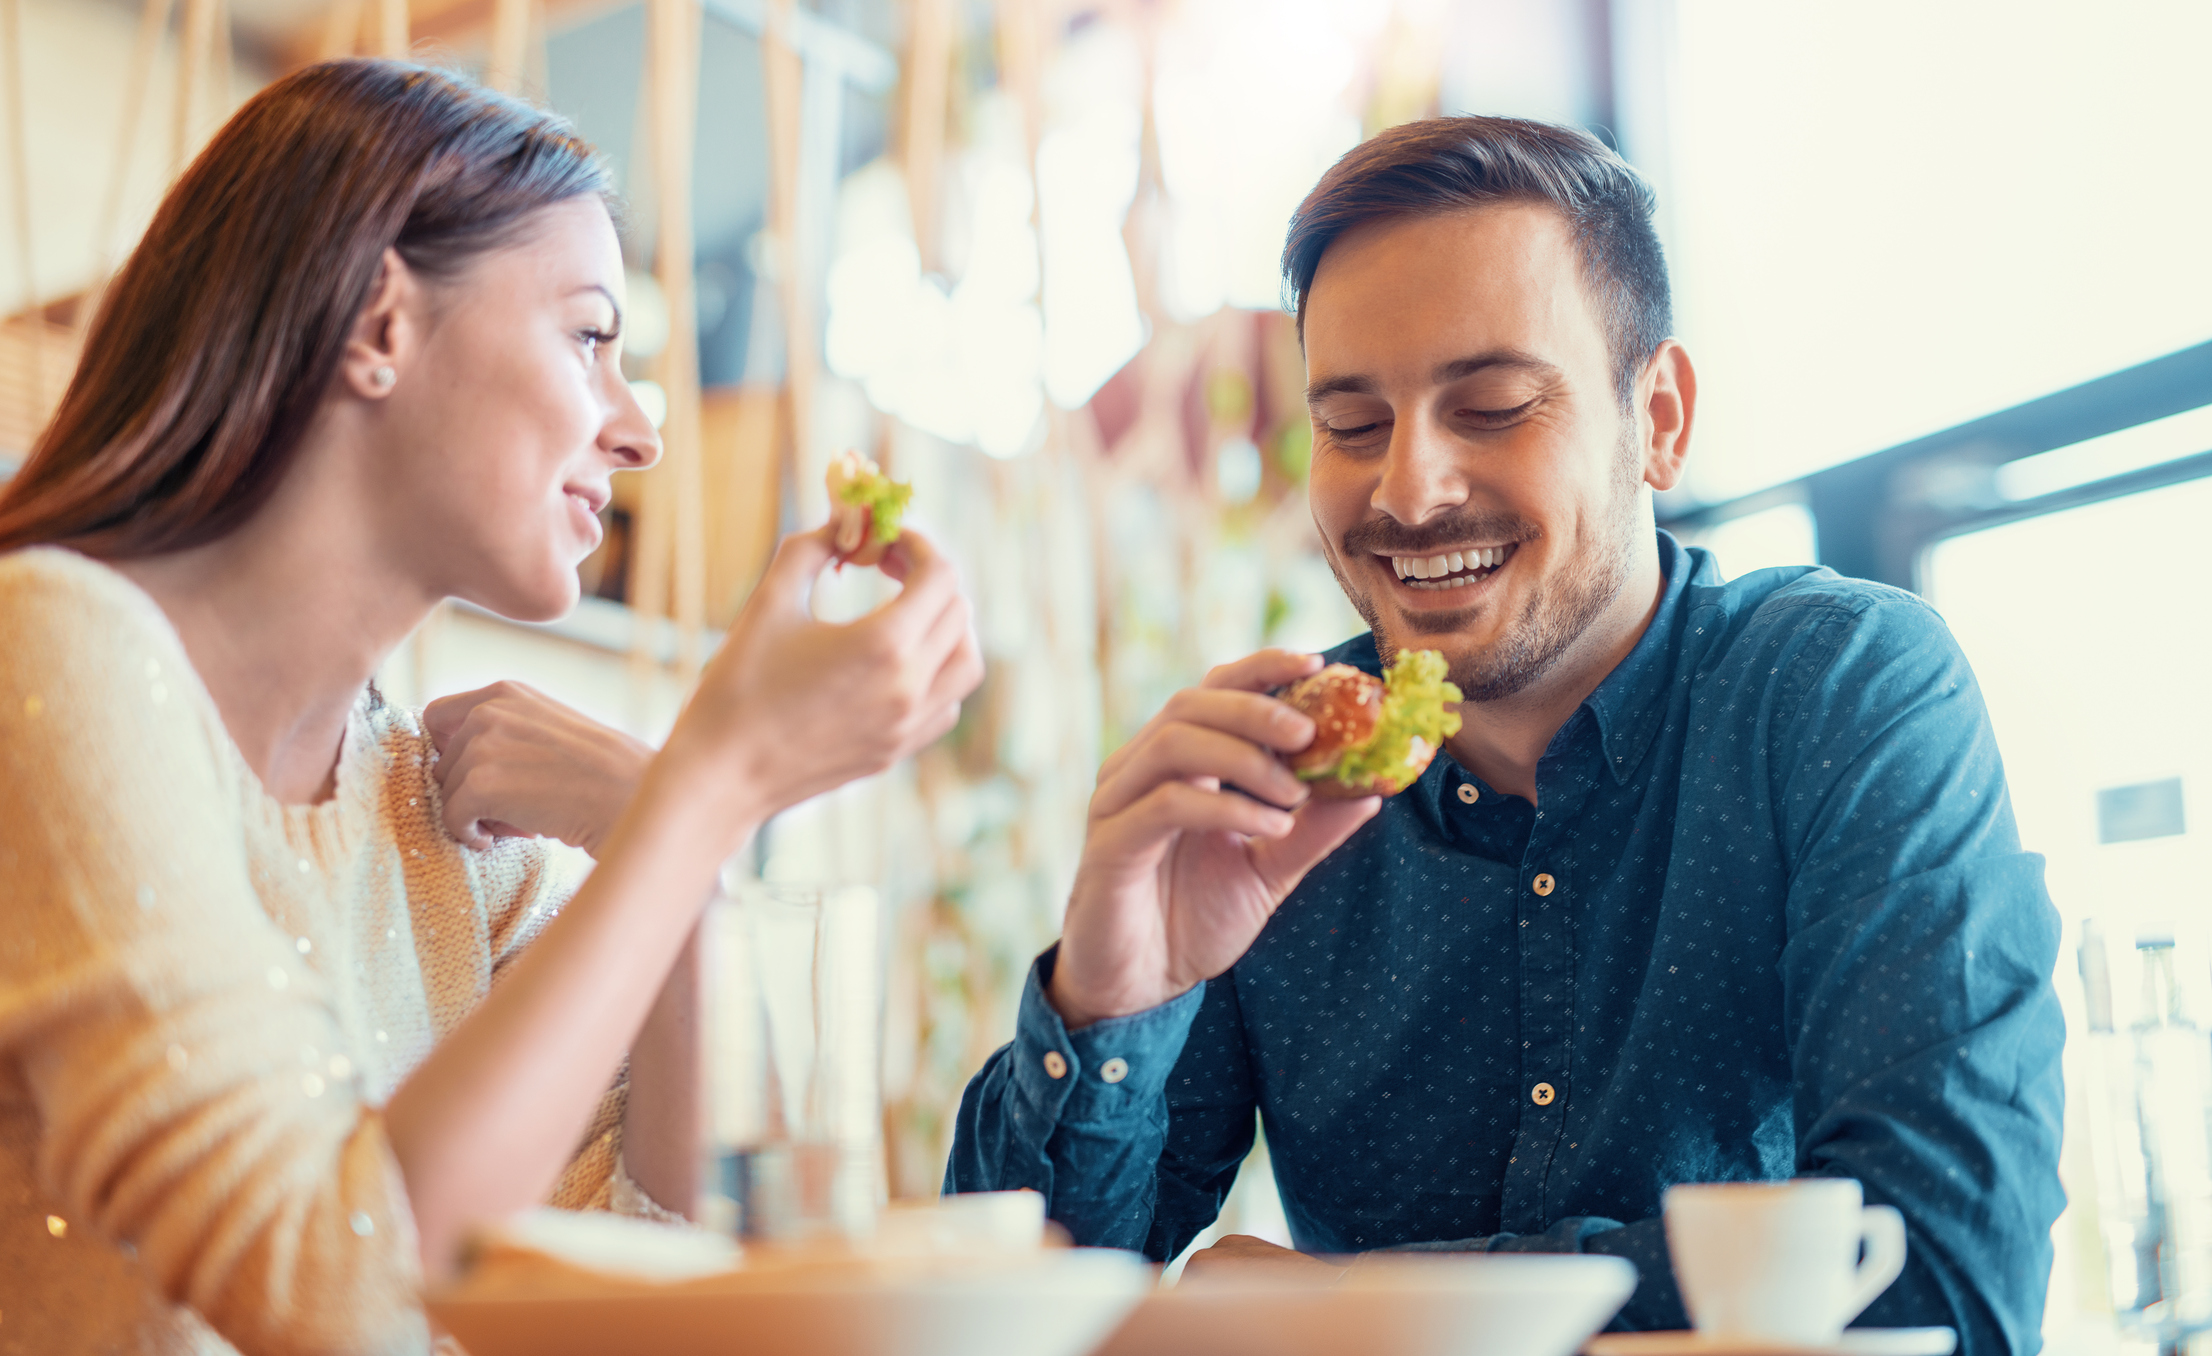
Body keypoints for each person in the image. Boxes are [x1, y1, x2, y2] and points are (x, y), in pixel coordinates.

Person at [946, 115, 2064, 1353]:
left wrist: (1364, 1312)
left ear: (1662, 419)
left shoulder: (1839, 694)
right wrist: (1111, 1001)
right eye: (1353, 426)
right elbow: (1013, 1326)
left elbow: (1946, 1284)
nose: (1408, 490)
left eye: (1490, 405)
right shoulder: (1265, 781)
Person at [0, 60, 981, 1355]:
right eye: (589, 336)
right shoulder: (50, 647)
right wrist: (707, 788)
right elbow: (334, 1286)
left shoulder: (437, 816)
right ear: (380, 325)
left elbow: (648, 1296)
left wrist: (681, 860)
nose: (641, 433)